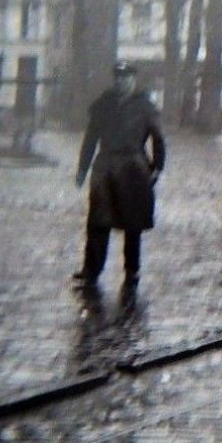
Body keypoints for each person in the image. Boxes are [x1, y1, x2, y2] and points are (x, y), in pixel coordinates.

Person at [74, 61, 165, 287]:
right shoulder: (103, 106)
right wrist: (82, 169)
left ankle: (132, 270)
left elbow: (158, 138)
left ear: (133, 80)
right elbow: (90, 139)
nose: (121, 82)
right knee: (98, 220)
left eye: (126, 78)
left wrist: (157, 167)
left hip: (133, 168)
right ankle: (91, 269)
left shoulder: (145, 107)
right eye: (118, 78)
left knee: (132, 221)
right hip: (105, 166)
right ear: (114, 80)